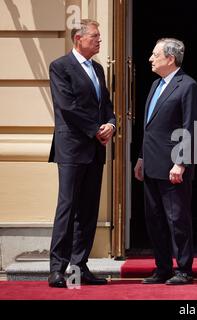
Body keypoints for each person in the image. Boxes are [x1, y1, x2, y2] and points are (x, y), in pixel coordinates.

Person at [48, 19, 116, 288]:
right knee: (68, 207)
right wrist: (95, 130)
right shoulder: (60, 67)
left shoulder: (98, 69)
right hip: (73, 148)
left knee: (88, 210)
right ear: (78, 38)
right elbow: (67, 106)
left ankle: (79, 266)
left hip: (95, 150)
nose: (99, 40)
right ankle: (57, 268)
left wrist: (111, 124)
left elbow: (106, 105)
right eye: (95, 36)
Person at [134, 38, 197, 285]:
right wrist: (141, 157)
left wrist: (181, 163)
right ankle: (162, 268)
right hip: (151, 164)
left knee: (177, 220)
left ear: (170, 58)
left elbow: (191, 128)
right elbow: (149, 128)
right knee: (154, 219)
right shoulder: (155, 85)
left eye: (155, 54)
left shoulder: (188, 86)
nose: (150, 59)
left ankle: (183, 269)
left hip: (174, 167)